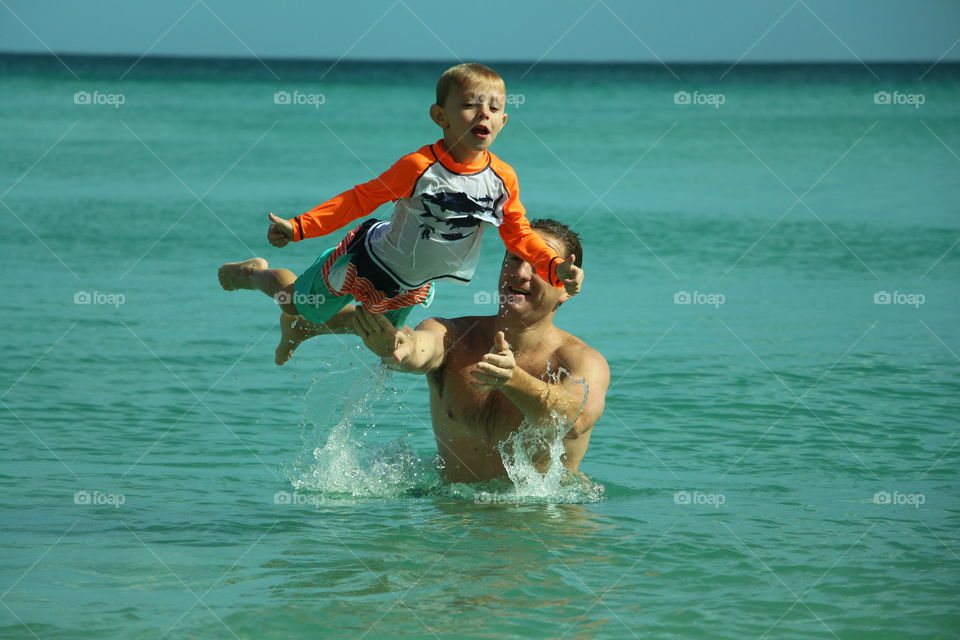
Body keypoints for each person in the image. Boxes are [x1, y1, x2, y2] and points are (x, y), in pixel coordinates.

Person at [218, 62, 584, 365]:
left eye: (493, 107)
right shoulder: (419, 166)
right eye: (471, 104)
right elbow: (360, 199)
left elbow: (518, 235)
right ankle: (255, 274)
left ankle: (299, 331)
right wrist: (299, 227)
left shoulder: (503, 179)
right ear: (441, 115)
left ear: (503, 121)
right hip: (366, 260)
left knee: (378, 343)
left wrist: (554, 267)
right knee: (299, 303)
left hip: (412, 285)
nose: (483, 113)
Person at [353, 219, 609, 482]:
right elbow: (421, 348)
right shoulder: (453, 334)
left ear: (566, 287)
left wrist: (513, 379)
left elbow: (573, 421)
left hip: (544, 518)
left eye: (541, 266)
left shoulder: (583, 361)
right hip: (457, 515)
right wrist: (399, 347)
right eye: (513, 259)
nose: (521, 273)